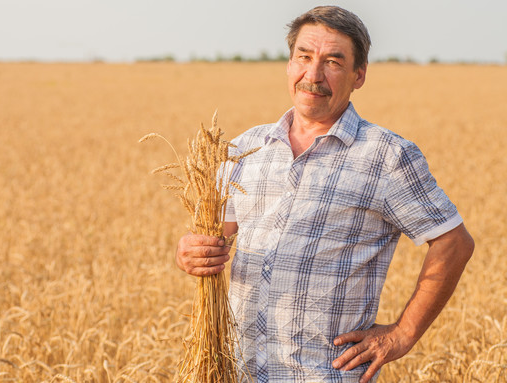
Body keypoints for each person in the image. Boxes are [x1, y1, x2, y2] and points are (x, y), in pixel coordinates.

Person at [175, 5, 475, 383]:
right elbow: (214, 236)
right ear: (288, 64)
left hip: (322, 375)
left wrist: (403, 333)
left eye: (333, 61)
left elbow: (454, 242)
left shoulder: (386, 156)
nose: (312, 75)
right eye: (304, 57)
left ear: (359, 75)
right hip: (237, 371)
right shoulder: (246, 147)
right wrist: (189, 251)